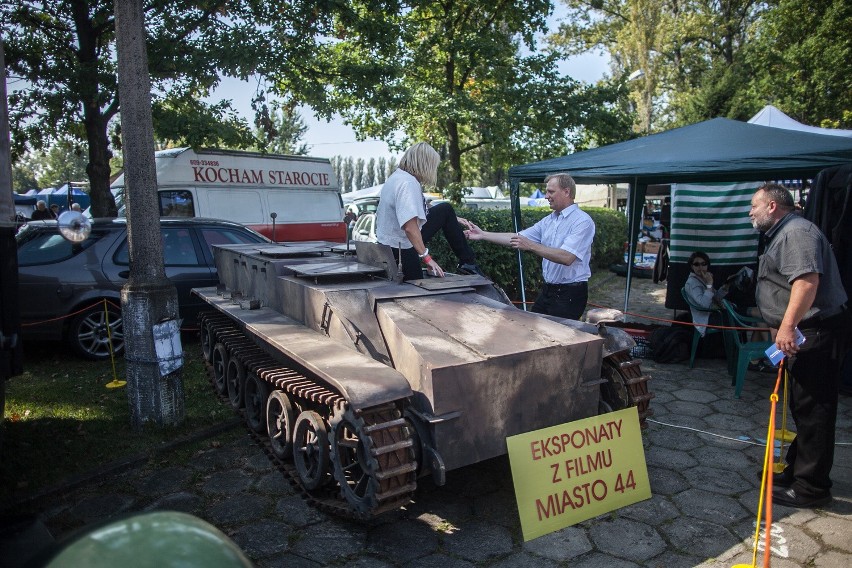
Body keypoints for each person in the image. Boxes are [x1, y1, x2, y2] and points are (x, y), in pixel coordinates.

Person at [750, 182, 850, 509]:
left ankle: (811, 488)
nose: (750, 212)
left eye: (755, 205)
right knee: (804, 409)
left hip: (815, 331)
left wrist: (787, 326)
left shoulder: (797, 232)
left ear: (773, 206)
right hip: (808, 331)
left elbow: (807, 281)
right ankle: (798, 472)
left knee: (815, 410)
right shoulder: (787, 231)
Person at [463, 172, 594, 320]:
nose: (546, 196)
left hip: (570, 294)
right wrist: (483, 235)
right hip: (548, 290)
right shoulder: (549, 221)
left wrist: (531, 246)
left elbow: (567, 257)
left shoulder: (582, 222)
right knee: (533, 329)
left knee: (558, 337)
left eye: (551, 191)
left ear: (566, 192)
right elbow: (517, 238)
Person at [375, 142, 483, 281]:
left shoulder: (397, 177)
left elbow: (418, 207)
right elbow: (409, 227)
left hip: (389, 245)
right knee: (416, 289)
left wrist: (452, 219)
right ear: (425, 164)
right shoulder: (408, 184)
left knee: (445, 210)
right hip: (401, 248)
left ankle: (468, 262)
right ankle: (467, 262)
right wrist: (427, 258)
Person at [683, 251, 726, 336]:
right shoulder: (692, 282)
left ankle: (755, 348)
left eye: (703, 264)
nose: (701, 267)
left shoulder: (704, 278)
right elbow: (705, 304)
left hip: (715, 313)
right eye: (697, 264)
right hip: (706, 319)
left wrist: (725, 288)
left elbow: (715, 298)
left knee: (755, 317)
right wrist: (709, 284)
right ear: (692, 266)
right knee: (749, 319)